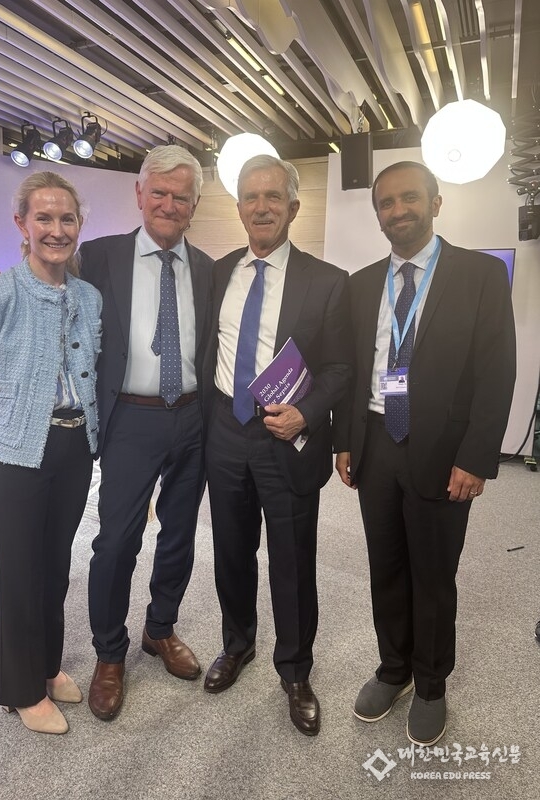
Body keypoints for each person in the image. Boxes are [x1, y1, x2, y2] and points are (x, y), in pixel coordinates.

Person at [0, 146, 214, 722]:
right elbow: (23, 298)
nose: (169, 204)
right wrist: (0, 431)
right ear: (139, 195)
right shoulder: (99, 258)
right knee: (112, 541)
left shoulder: (203, 268)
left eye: (181, 196)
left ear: (194, 204)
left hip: (175, 420)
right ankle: (107, 655)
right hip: (123, 420)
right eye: (159, 193)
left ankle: (159, 629)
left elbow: (57, 297)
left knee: (171, 537)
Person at [333, 161, 516, 746]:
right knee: (385, 565)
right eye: (386, 203)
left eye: (410, 198)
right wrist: (344, 440)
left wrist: (478, 457)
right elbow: (351, 369)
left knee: (434, 573)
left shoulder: (481, 274)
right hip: (376, 443)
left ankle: (431, 682)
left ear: (436, 203)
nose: (397, 210)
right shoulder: (362, 283)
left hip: (442, 451)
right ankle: (394, 670)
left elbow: (497, 372)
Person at [201, 154, 352, 736]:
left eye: (272, 197)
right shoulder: (219, 272)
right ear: (238, 207)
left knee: (291, 560)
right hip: (224, 431)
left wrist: (307, 413)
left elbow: (340, 368)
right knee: (232, 552)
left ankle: (294, 670)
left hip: (287, 438)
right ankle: (236, 644)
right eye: (249, 197)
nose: (260, 207)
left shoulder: (326, 281)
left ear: (293, 206)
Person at [0, 171, 102, 735]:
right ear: (22, 224)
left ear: (79, 226)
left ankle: (46, 665)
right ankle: (18, 689)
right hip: (14, 455)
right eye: (44, 217)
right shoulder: (0, 293)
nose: (56, 229)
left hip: (72, 447)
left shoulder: (88, 297)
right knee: (17, 572)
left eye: (66, 219)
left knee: (56, 567)